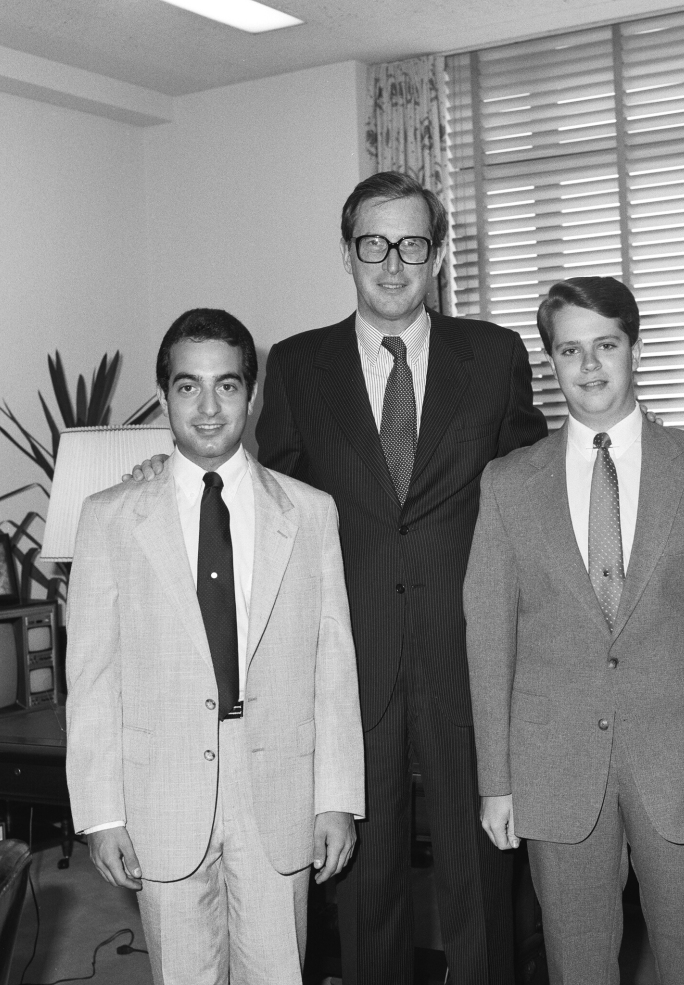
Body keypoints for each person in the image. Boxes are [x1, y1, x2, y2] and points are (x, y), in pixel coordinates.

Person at [128, 173, 547, 984]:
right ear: (347, 253)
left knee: (481, 890)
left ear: (439, 254)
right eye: (373, 245)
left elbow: (528, 493)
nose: (393, 264)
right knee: (363, 893)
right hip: (346, 674)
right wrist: (168, 472)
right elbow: (266, 509)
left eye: (412, 244)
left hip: (468, 666)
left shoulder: (493, 356)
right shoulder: (297, 364)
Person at [464, 277, 684, 985]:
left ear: (634, 348)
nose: (589, 365)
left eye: (605, 344)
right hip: (555, 763)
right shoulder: (508, 483)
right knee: (575, 962)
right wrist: (497, 780)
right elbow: (488, 641)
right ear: (551, 362)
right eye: (569, 350)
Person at [66, 308, 365, 985]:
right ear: (165, 393)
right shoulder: (109, 516)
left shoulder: (310, 512)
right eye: (187, 386)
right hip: (159, 794)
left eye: (227, 386)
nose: (207, 407)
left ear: (252, 395)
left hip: (279, 789)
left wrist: (337, 796)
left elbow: (333, 665)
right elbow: (91, 676)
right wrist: (100, 812)